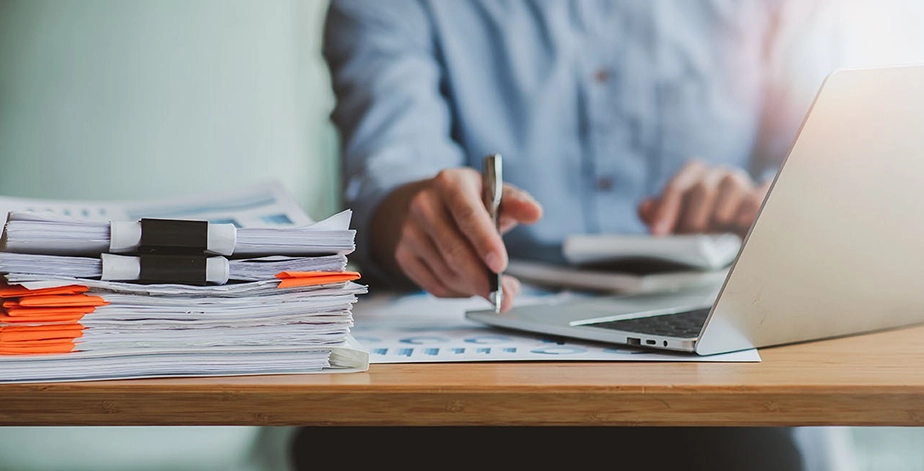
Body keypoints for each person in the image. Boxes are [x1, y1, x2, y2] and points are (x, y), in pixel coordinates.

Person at [296, 2, 853, 471]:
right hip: (459, 372)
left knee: (742, 449)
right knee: (355, 441)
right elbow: (388, 173)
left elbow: (826, 163)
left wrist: (765, 201)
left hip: (701, 371)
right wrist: (415, 215)